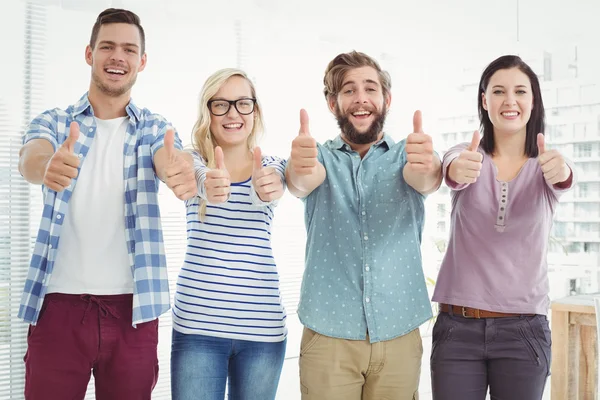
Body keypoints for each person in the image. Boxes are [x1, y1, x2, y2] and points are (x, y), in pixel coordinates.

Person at [17, 8, 195, 400]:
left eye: (129, 49)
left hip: (133, 311)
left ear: (141, 62)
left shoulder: (155, 127)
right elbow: (31, 156)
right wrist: (47, 165)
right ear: (89, 54)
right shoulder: (55, 121)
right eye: (108, 46)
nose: (118, 56)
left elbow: (170, 159)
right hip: (58, 309)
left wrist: (180, 172)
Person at [286, 50, 442, 400]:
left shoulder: (408, 154)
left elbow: (427, 177)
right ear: (332, 103)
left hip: (398, 335)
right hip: (329, 337)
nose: (361, 99)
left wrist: (428, 166)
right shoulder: (317, 157)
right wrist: (299, 168)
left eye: (370, 88)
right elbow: (299, 180)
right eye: (348, 90)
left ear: (386, 99)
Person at [431, 54, 575, 400]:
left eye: (520, 92)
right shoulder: (466, 156)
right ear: (484, 100)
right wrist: (455, 168)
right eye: (498, 91)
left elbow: (565, 175)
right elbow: (451, 167)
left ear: (533, 100)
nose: (509, 101)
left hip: (524, 332)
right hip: (458, 329)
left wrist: (562, 171)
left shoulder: (548, 166)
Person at [170, 68, 287, 400]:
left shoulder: (273, 165)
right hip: (198, 329)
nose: (233, 113)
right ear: (208, 111)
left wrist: (267, 186)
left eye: (243, 103)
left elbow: (276, 183)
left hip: (262, 331)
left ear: (255, 111)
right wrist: (208, 184)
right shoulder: (190, 160)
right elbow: (194, 175)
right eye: (220, 104)